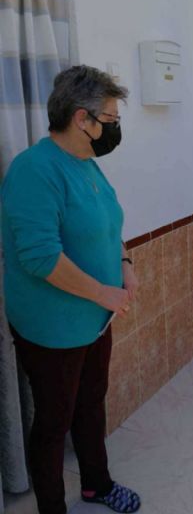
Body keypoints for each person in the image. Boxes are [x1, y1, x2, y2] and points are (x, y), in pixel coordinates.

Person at [1, 65, 142, 514]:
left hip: (95, 322)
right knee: (52, 423)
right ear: (83, 119)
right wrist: (104, 294)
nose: (115, 129)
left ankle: (96, 485)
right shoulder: (34, 170)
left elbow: (108, 223)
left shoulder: (88, 166)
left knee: (90, 406)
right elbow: (40, 257)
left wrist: (124, 263)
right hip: (53, 329)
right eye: (111, 119)